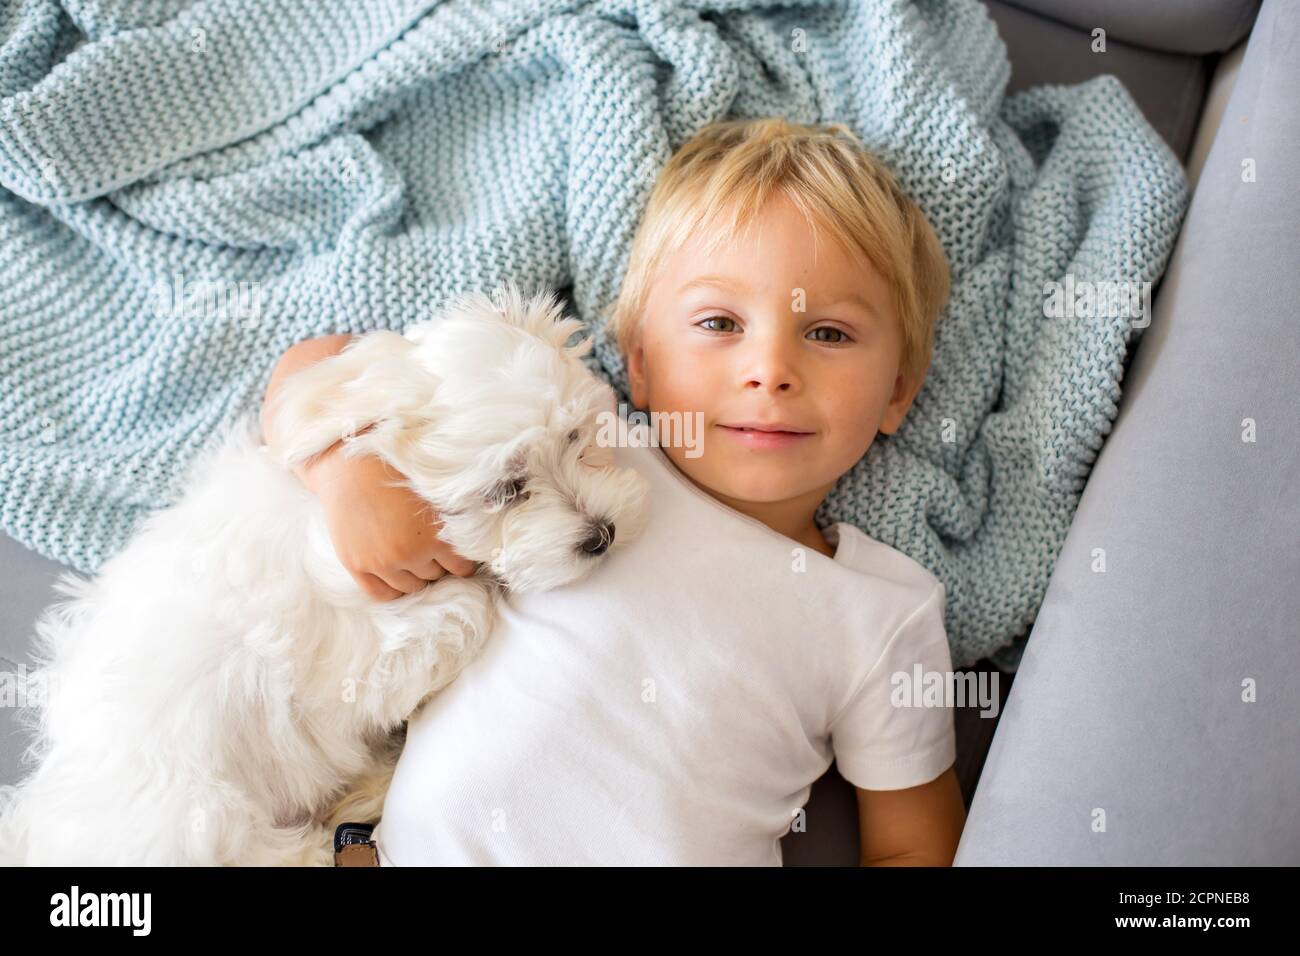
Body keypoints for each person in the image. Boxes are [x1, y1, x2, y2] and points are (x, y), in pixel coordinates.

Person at [261, 117, 963, 865]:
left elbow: (917, 846)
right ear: (640, 364)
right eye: (720, 322)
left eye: (828, 333)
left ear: (898, 393)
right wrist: (347, 472)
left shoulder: (884, 613)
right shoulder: (580, 445)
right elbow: (317, 363)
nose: (770, 369)